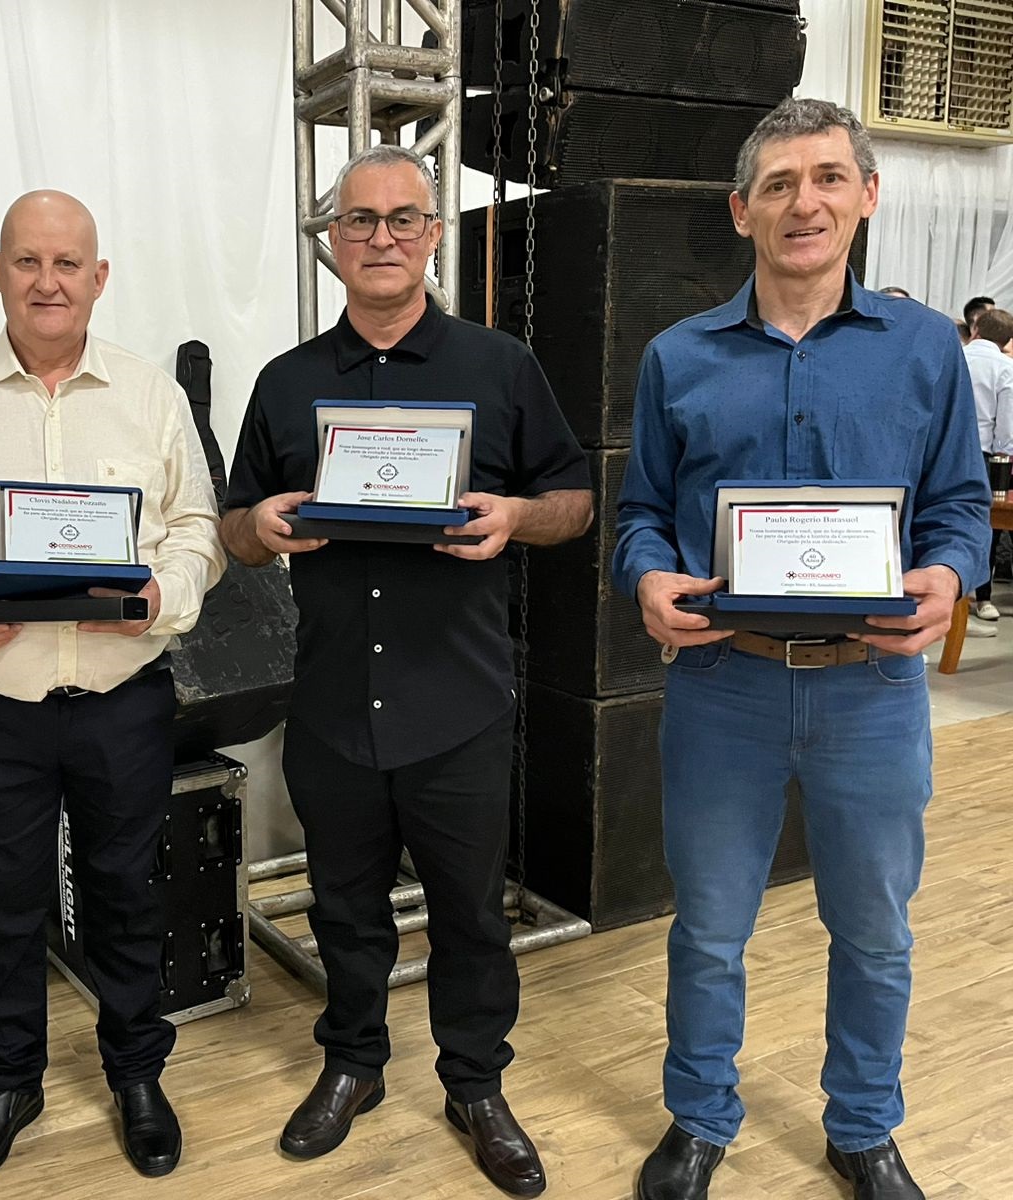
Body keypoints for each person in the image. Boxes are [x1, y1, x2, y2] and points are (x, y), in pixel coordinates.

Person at [615, 99, 990, 1200]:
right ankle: (699, 1118)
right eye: (777, 184)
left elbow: (960, 508)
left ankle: (864, 1128)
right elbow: (641, 513)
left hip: (873, 690)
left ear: (866, 196)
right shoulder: (677, 356)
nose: (803, 202)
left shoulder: (925, 349)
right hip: (720, 687)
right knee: (707, 930)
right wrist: (645, 576)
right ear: (741, 211)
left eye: (827, 177)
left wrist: (947, 577)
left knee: (874, 933)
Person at [221, 144, 592, 1198]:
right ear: (332, 240)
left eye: (401, 219)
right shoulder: (285, 383)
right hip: (332, 706)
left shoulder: (500, 367)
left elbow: (573, 501)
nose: (380, 237)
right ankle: (354, 1062)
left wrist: (516, 515)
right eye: (359, 220)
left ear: (432, 235)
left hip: (458, 704)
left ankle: (475, 1085)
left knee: (471, 915)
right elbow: (235, 526)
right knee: (345, 908)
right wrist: (260, 526)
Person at [0, 190, 224, 1190]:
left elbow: (196, 527)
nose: (48, 281)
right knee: (6, 907)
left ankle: (136, 1075)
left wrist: (165, 596)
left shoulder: (151, 394)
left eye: (68, 264)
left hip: (123, 700)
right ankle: (8, 1083)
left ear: (98, 277)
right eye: (28, 261)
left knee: (126, 898)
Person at [964, 307, 1013, 626]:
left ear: (975, 329)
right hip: (982, 455)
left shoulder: (956, 355)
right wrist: (1003, 455)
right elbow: (1007, 425)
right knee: (987, 525)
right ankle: (983, 597)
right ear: (1007, 341)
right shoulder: (1006, 368)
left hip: (938, 450)